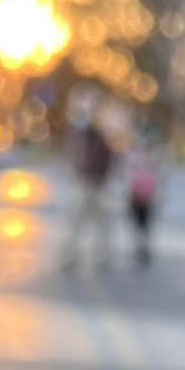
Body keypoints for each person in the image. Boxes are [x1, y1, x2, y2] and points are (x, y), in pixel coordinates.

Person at [61, 93, 115, 270]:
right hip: (86, 183)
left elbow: (106, 158)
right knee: (78, 223)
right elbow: (79, 157)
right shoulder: (84, 133)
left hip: (96, 184)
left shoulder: (99, 134)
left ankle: (99, 257)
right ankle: (71, 256)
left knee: (98, 224)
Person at [125, 117, 160, 267]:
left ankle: (143, 247)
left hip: (148, 193)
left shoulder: (154, 153)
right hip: (136, 192)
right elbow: (128, 172)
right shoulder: (133, 152)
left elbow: (160, 173)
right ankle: (140, 247)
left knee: (145, 223)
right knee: (138, 222)